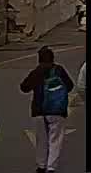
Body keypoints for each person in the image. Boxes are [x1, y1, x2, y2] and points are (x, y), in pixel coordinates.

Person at [19, 45, 76, 173]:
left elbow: (24, 87)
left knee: (41, 140)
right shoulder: (59, 70)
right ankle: (51, 167)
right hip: (57, 111)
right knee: (55, 139)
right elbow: (70, 86)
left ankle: (41, 165)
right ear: (52, 58)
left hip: (38, 111)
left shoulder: (36, 71)